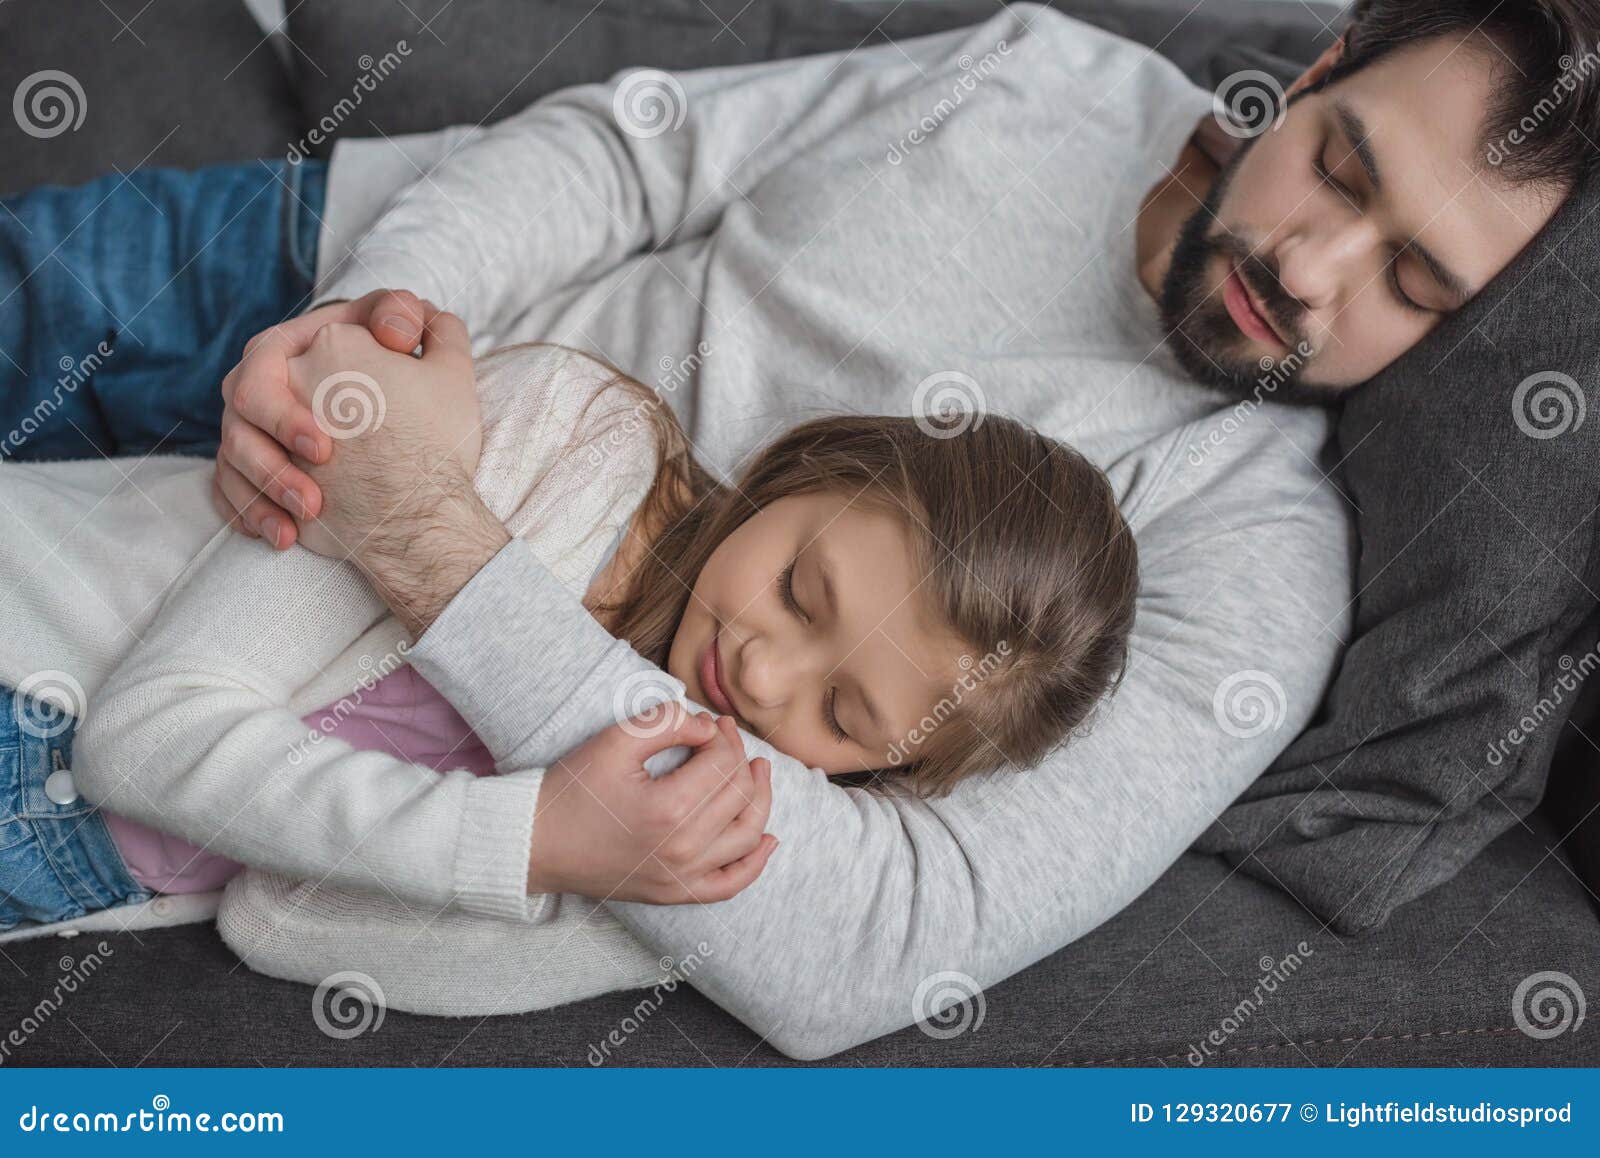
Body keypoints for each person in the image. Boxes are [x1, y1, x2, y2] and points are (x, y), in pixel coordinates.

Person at [3, 1, 1592, 1054]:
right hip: (378, 276)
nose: (1314, 269)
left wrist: (425, 534)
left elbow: (883, 938)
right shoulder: (1048, 71)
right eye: (1338, 166)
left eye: (1412, 281)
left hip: (396, 568)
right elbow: (632, 155)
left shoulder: (1256, 565)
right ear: (1310, 79)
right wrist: (369, 335)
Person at [7, 332, 1138, 1010]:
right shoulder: (563, 434)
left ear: (882, 774)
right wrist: (528, 841)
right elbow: (141, 738)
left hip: (58, 891)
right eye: (801, 589)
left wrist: (607, 884)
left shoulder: (676, 825)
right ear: (810, 471)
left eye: (841, 713)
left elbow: (281, 920)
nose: (763, 668)